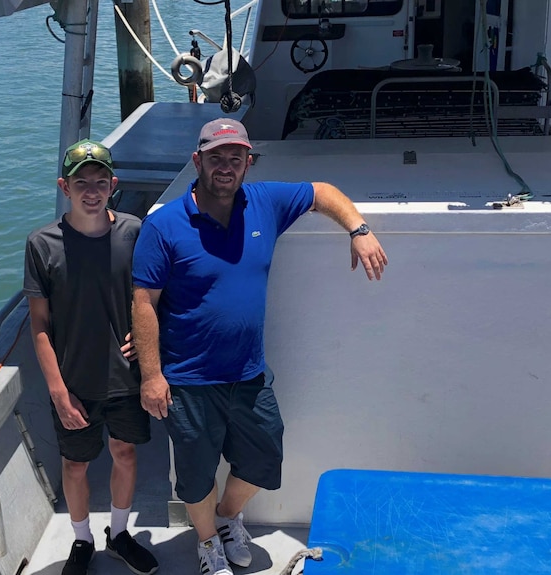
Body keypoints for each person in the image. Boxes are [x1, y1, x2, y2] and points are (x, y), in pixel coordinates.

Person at [131, 118, 387, 575]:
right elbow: (144, 303)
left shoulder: (265, 202)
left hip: (248, 372)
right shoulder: (165, 224)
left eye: (235, 158)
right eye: (216, 158)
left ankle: (227, 517)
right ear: (198, 161)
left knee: (266, 454)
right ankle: (208, 543)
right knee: (194, 475)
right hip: (187, 379)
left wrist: (358, 229)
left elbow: (321, 192)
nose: (225, 167)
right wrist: (152, 376)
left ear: (248, 162)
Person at [23, 139, 159, 575]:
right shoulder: (42, 244)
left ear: (113, 184)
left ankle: (118, 534)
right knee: (76, 463)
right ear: (65, 186)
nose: (92, 190)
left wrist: (146, 342)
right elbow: (39, 325)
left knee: (125, 453)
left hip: (125, 377)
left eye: (101, 181)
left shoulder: (135, 232)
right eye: (82, 182)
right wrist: (58, 393)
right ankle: (81, 541)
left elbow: (152, 299)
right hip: (73, 379)